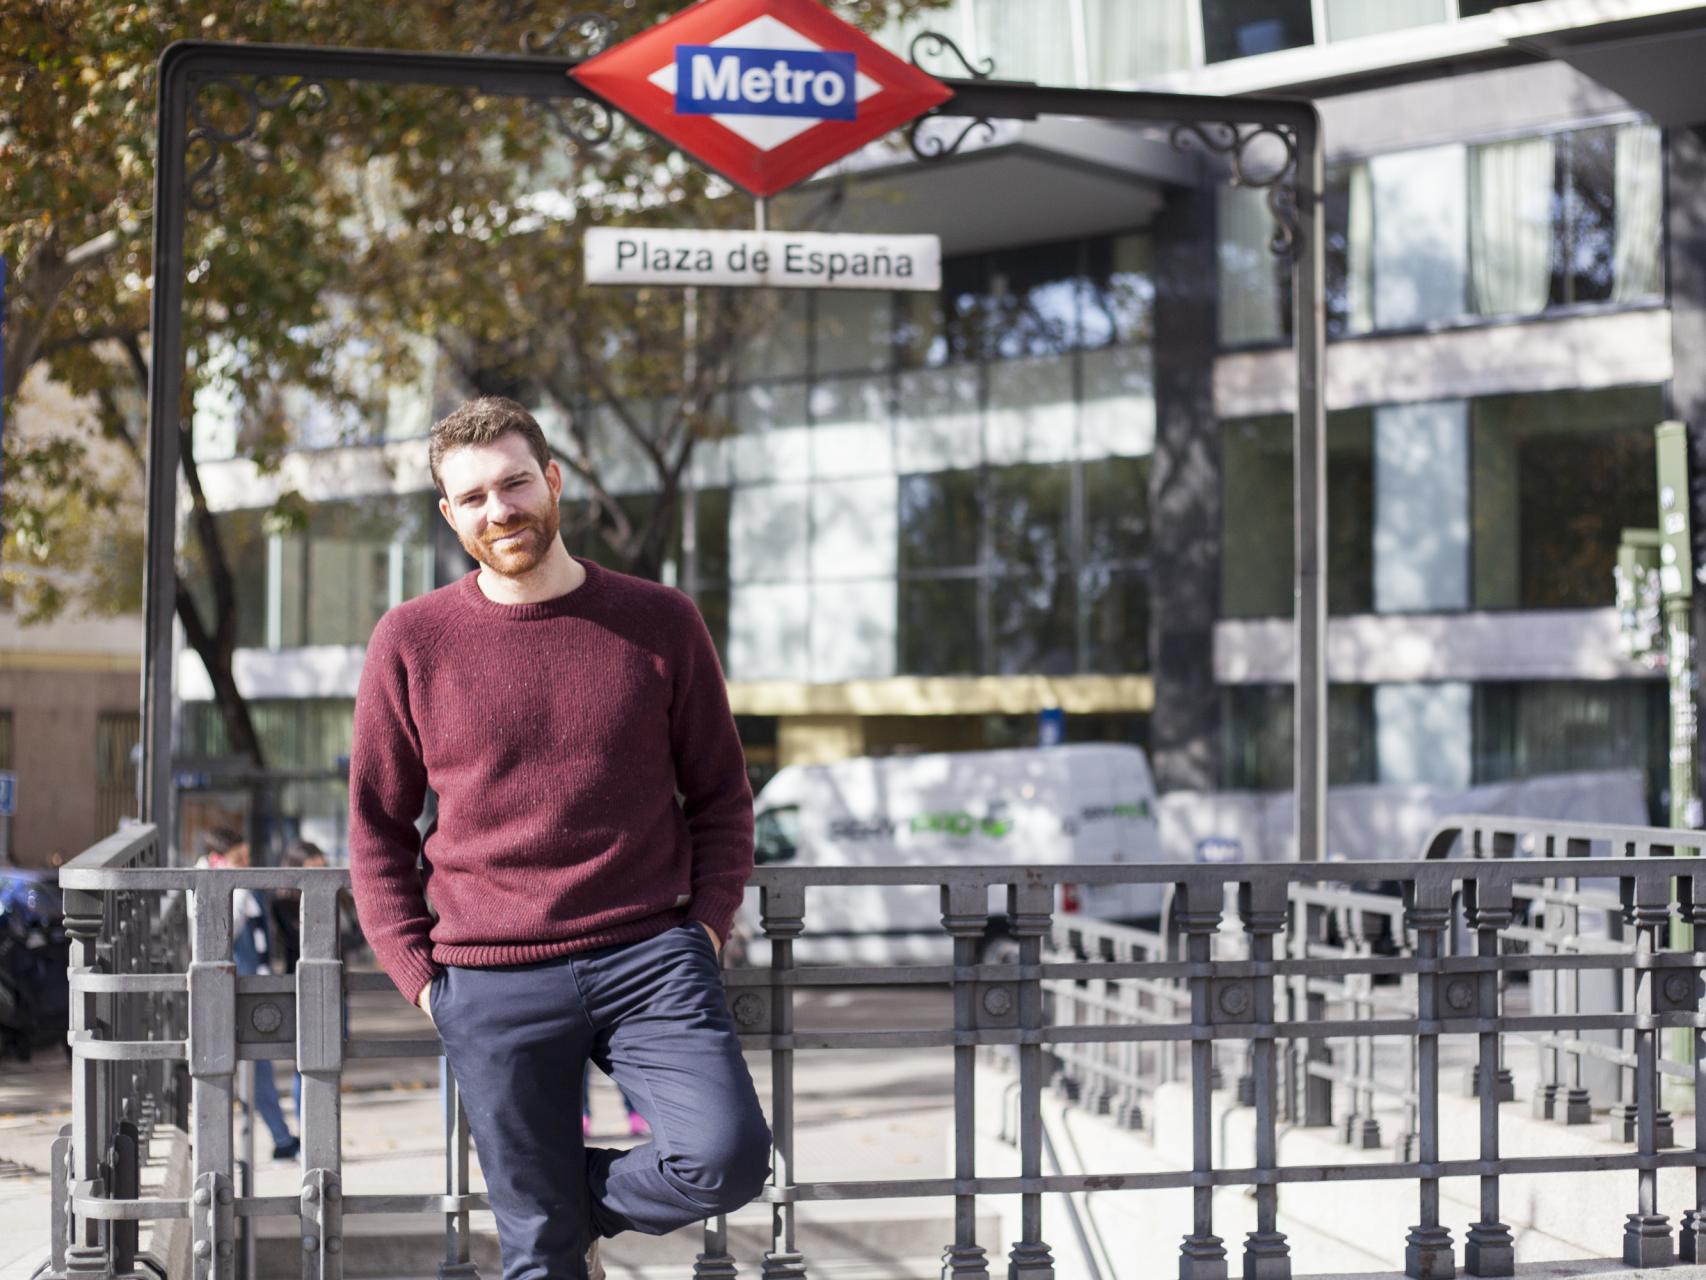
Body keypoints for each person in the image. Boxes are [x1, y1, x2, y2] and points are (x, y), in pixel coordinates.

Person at [347, 397, 771, 1280]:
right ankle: (547, 1215)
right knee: (538, 1259)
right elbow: (378, 826)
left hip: (650, 957)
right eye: (473, 499)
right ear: (450, 516)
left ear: (553, 480)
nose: (499, 511)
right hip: (489, 978)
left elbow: (724, 797)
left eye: (513, 484)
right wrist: (424, 984)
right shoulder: (412, 640)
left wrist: (704, 930)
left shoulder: (660, 622)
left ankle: (560, 1202)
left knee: (725, 1157)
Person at [198, 828, 300, 1161]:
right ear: (220, 860)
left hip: (254, 986)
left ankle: (280, 1138)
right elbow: (218, 934)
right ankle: (220, 1148)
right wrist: (234, 889)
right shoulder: (209, 882)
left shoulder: (248, 887)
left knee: (259, 1066)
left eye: (246, 857)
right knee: (221, 1070)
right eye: (239, 859)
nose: (246, 863)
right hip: (225, 989)